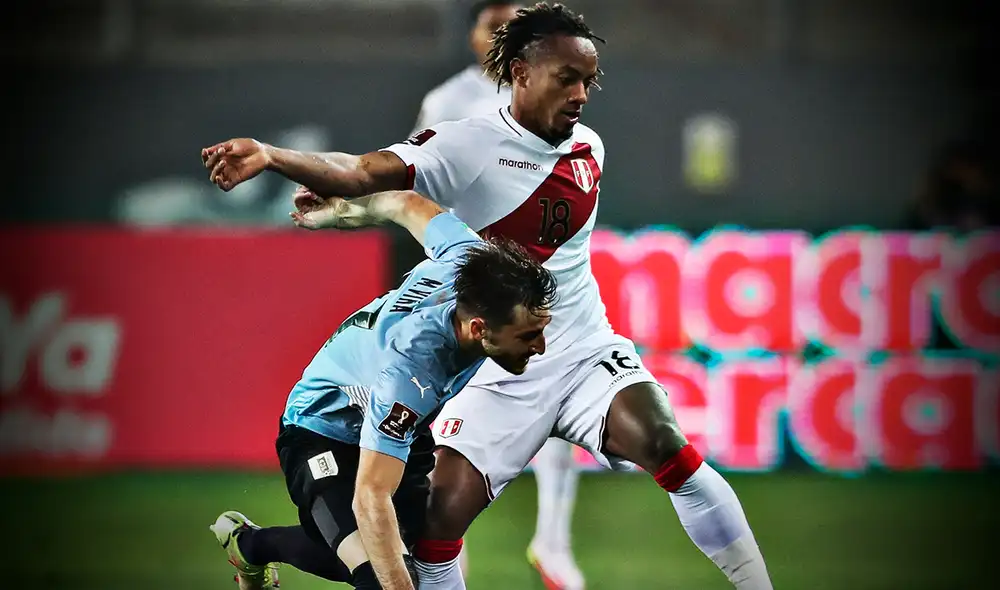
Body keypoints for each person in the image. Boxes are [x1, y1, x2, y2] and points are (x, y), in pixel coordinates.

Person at [201, 3, 773, 588]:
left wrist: (351, 212)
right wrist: (273, 157)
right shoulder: (466, 143)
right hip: (490, 366)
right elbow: (364, 170)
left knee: (665, 443)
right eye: (567, 79)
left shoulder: (588, 150)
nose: (581, 95)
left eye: (588, 81)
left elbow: (404, 205)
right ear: (521, 72)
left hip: (579, 349)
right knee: (433, 529)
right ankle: (261, 545)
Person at [207, 189, 556, 590]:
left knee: (405, 559)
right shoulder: (412, 369)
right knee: (380, 574)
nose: (541, 346)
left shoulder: (470, 260)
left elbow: (405, 203)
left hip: (394, 422)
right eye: (528, 335)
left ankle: (252, 544)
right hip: (321, 431)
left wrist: (340, 210)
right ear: (478, 329)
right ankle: (252, 544)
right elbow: (371, 496)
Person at [413, 1, 585, 587]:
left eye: (514, 26)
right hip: (472, 293)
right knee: (446, 439)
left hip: (538, 284)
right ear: (473, 34)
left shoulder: (552, 95)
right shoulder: (449, 102)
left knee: (560, 399)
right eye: (493, 26)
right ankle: (444, 563)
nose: (501, 36)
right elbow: (417, 187)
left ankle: (553, 542)